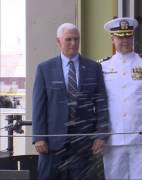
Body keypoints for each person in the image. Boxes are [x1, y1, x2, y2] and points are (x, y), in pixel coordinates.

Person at [32, 23, 109, 180]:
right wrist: (39, 137)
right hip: (52, 143)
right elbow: (39, 106)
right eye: (68, 39)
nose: (73, 43)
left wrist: (101, 135)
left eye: (76, 39)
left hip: (83, 143)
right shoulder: (44, 68)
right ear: (58, 41)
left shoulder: (94, 67)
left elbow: (101, 103)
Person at [100, 17, 142, 179]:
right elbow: (98, 103)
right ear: (112, 39)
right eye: (120, 37)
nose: (125, 41)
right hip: (113, 137)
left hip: (141, 137)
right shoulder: (102, 66)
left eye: (128, 36)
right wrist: (98, 135)